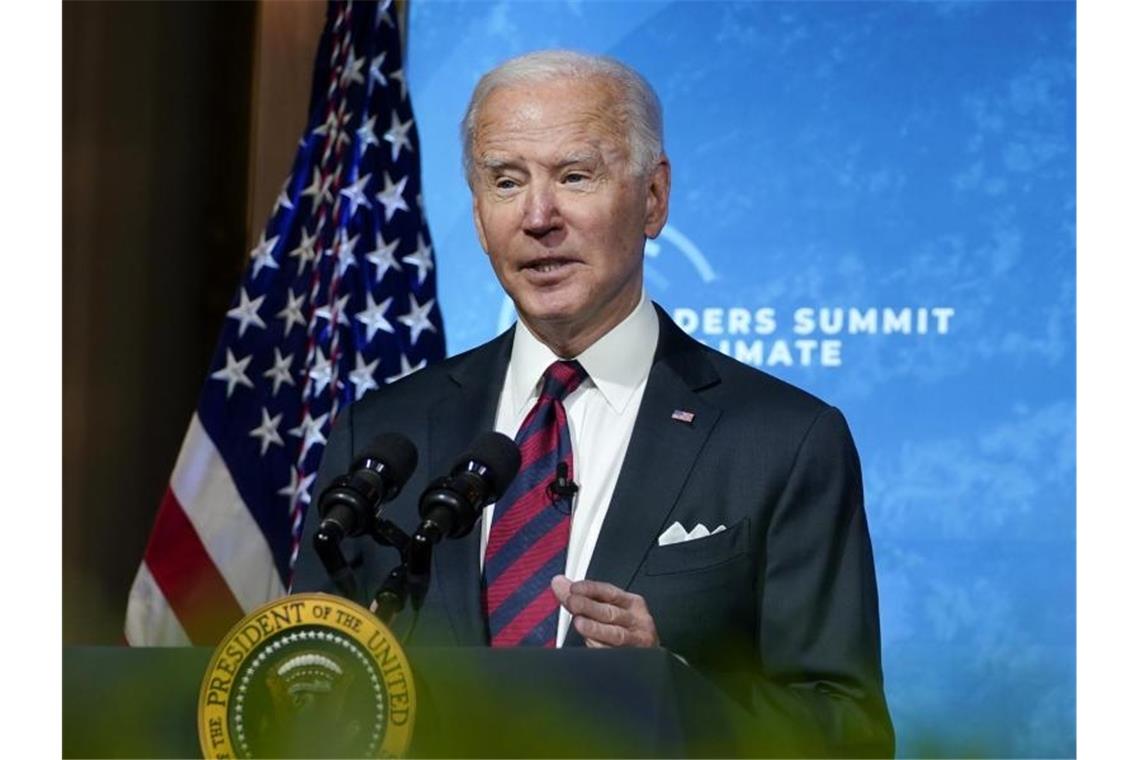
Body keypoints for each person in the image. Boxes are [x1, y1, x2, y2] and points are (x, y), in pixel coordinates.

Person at [294, 49, 893, 756]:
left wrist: (669, 691)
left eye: (575, 176)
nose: (538, 216)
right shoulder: (386, 432)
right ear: (480, 216)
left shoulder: (782, 440)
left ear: (653, 198)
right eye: (505, 181)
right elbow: (306, 692)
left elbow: (846, 734)